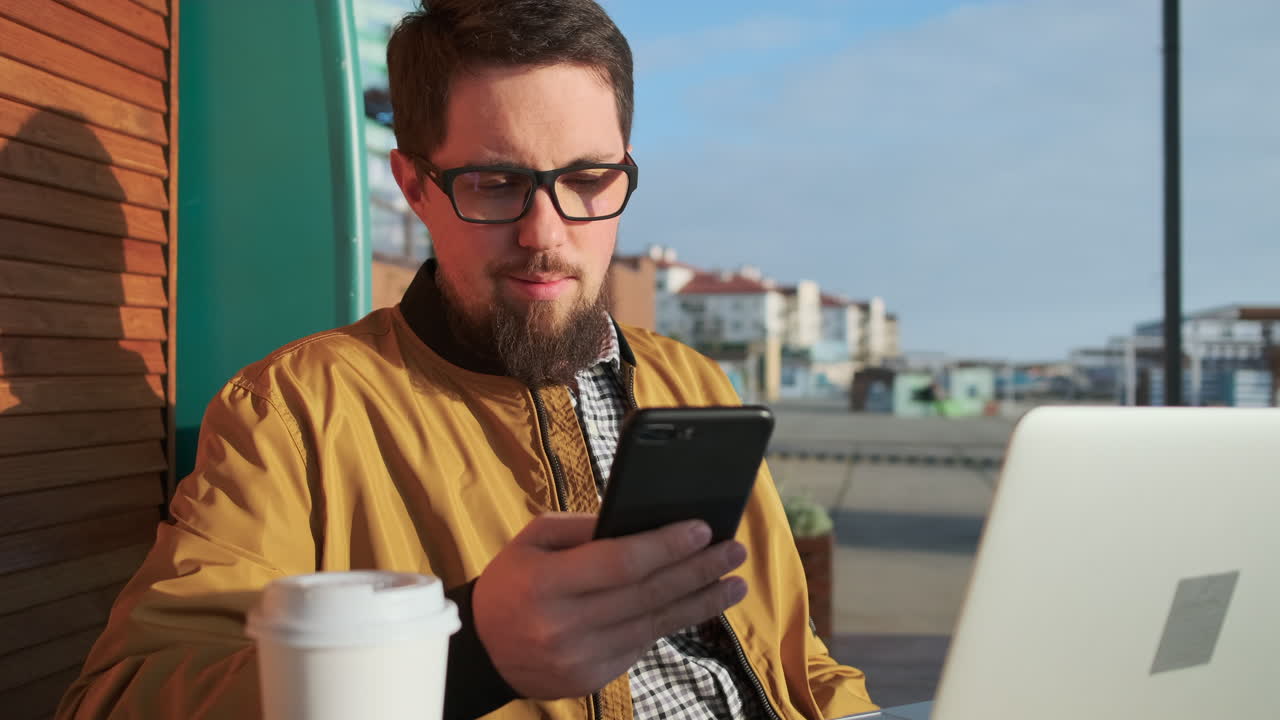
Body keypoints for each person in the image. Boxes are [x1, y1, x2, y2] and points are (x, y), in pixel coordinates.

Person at [56, 1, 877, 718]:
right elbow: (122, 697)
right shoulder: (297, 411)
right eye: (494, 183)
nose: (547, 235)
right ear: (414, 187)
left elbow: (795, 665)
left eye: (588, 179)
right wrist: (469, 653)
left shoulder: (692, 382)